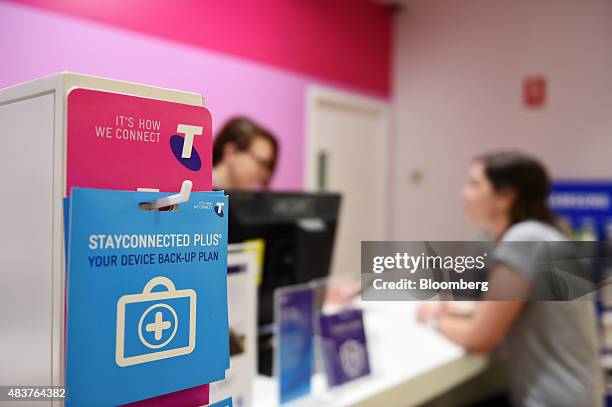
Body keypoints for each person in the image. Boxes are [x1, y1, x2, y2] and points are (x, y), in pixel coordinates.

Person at [417, 151, 603, 407]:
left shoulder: (525, 239)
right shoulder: (546, 234)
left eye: (474, 184)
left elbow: (480, 338)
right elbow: (508, 312)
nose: (464, 193)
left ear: (505, 197)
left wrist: (433, 319)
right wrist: (457, 314)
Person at [212, 117, 279, 190]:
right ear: (231, 152)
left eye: (268, 167)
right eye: (261, 162)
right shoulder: (200, 192)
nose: (265, 174)